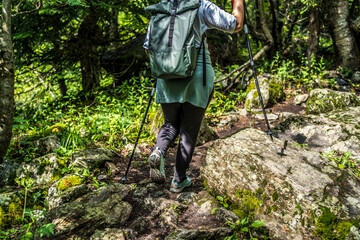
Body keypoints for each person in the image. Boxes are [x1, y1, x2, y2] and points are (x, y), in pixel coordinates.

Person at [143, 0, 244, 193]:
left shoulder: (159, 9)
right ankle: (178, 179)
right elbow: (235, 24)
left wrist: (171, 65)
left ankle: (158, 151)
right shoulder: (200, 5)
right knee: (189, 128)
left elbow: (148, 48)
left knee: (170, 123)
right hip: (196, 75)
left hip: (165, 76)